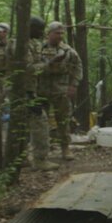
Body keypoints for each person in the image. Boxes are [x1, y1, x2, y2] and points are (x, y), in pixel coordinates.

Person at [7, 17, 58, 171]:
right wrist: (48, 64)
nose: (41, 33)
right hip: (22, 91)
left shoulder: (28, 43)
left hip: (27, 89)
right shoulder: (19, 45)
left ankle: (20, 159)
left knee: (22, 125)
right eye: (39, 29)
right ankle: (40, 159)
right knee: (40, 122)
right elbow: (28, 69)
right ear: (31, 28)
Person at [38, 21, 83, 161]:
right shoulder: (39, 49)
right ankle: (42, 151)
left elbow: (78, 67)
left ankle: (65, 148)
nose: (60, 36)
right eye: (57, 33)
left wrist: (73, 85)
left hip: (61, 89)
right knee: (40, 121)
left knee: (63, 120)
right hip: (41, 89)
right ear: (49, 33)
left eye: (62, 33)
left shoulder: (69, 51)